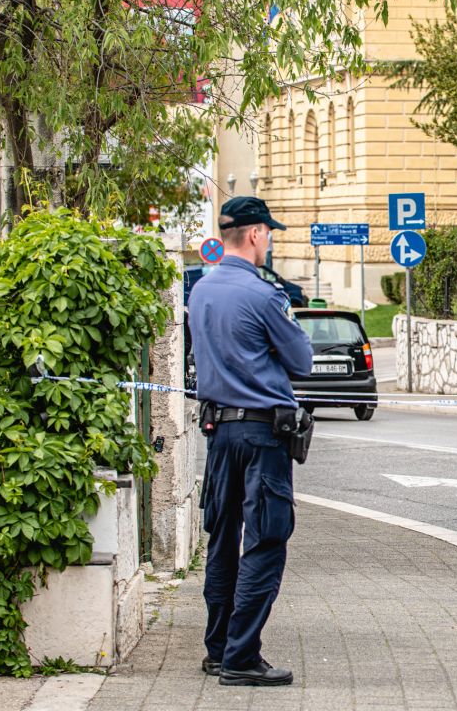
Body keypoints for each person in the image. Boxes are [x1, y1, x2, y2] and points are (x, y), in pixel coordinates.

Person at [187, 197, 314, 686]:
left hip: (219, 434)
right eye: (270, 232)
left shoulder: (201, 288)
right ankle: (242, 656)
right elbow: (301, 360)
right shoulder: (265, 294)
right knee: (266, 540)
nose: (271, 240)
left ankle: (219, 649)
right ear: (256, 233)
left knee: (222, 542)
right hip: (263, 434)